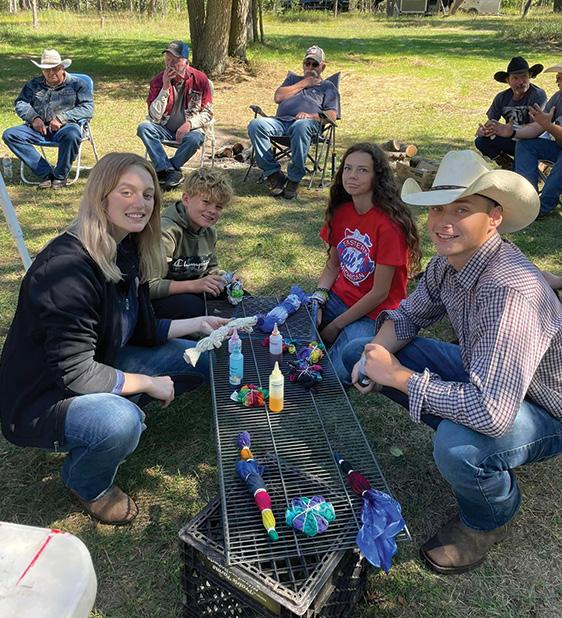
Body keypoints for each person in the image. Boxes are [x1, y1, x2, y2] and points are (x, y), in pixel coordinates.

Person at [341, 150, 562, 575]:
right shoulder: (449, 262)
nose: (444, 221)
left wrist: (399, 377)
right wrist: (377, 355)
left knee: (458, 445)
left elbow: (493, 412)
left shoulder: (509, 289)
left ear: (494, 218)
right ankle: (469, 439)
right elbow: (409, 315)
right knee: (361, 350)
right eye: (438, 208)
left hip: (545, 405)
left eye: (461, 209)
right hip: (486, 372)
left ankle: (490, 517)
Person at [0, 153, 228, 526]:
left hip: (100, 362)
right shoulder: (66, 269)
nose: (140, 203)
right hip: (43, 399)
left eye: (148, 194)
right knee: (121, 421)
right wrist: (148, 383)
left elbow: (139, 328)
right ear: (101, 195)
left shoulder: (126, 247)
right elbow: (77, 373)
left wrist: (199, 323)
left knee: (200, 356)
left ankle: (123, 401)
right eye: (127, 192)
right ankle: (87, 483)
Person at [311, 143, 421, 383]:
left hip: (374, 314)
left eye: (362, 170)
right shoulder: (341, 212)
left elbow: (380, 293)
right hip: (338, 299)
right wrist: (318, 299)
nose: (352, 175)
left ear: (376, 176)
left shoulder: (389, 225)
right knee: (290, 330)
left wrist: (335, 326)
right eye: (348, 168)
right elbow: (333, 266)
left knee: (332, 376)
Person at [247, 45, 339, 200]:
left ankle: (294, 179)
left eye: (315, 64)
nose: (310, 67)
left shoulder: (328, 87)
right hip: (280, 123)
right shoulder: (292, 80)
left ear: (322, 67)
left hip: (307, 125)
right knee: (255, 125)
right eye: (307, 63)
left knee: (300, 126)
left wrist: (310, 116)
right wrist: (304, 83)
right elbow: (278, 97)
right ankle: (274, 174)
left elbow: (332, 115)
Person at [149, 167, 235, 319]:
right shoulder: (166, 231)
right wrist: (194, 285)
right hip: (159, 300)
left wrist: (226, 278)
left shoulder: (209, 231)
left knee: (236, 294)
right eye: (206, 202)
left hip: (193, 290)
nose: (212, 210)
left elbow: (210, 269)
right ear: (186, 199)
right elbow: (149, 286)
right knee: (193, 306)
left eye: (218, 206)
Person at [2, 49, 93, 189]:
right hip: (38, 128)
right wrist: (34, 118)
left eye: (55, 69)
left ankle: (60, 176)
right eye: (46, 70)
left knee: (73, 134)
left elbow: (87, 108)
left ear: (62, 68)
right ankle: (47, 173)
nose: (50, 73)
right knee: (10, 134)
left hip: (66, 128)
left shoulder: (78, 84)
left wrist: (61, 118)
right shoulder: (33, 84)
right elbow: (21, 103)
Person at [137, 41, 213, 191]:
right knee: (143, 128)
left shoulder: (200, 79)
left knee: (195, 138)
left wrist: (189, 124)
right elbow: (154, 115)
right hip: (164, 127)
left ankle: (166, 168)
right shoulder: (158, 81)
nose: (170, 64)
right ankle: (170, 171)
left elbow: (208, 112)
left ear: (186, 61)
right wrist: (165, 87)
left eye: (175, 60)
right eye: (167, 60)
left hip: (190, 130)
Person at [494, 61, 561, 219]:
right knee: (525, 145)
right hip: (558, 147)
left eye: (560, 78)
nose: (556, 81)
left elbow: (546, 125)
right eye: (557, 77)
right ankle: (527, 199)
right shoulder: (558, 97)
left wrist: (549, 126)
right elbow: (537, 127)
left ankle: (541, 208)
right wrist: (512, 132)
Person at [474, 56, 546, 168]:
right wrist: (484, 130)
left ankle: (527, 167)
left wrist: (509, 129)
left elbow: (537, 127)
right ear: (508, 80)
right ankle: (507, 164)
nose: (521, 82)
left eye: (524, 77)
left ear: (530, 76)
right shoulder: (502, 97)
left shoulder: (538, 95)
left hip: (532, 140)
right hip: (511, 138)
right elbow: (492, 121)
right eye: (515, 78)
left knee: (523, 158)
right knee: (481, 141)